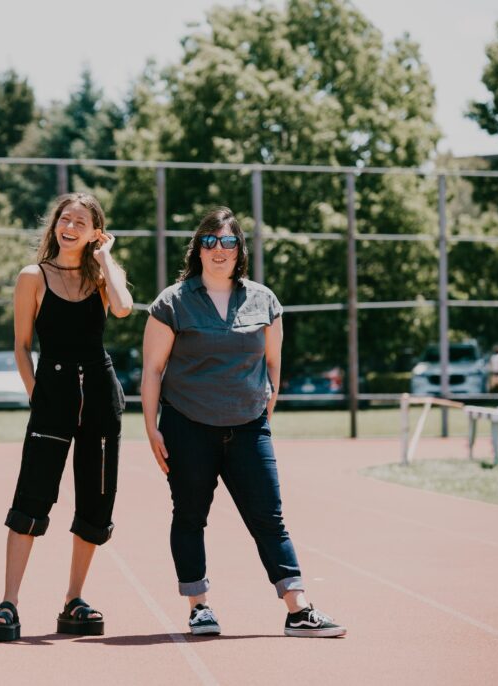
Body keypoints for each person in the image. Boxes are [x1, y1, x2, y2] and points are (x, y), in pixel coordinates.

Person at [141, 206, 346, 638]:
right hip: (187, 426)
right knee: (190, 516)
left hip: (249, 428)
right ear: (198, 248)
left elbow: (273, 365)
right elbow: (153, 371)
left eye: (228, 242)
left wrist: (263, 409)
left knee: (269, 518)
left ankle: (298, 609)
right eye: (210, 241)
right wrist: (151, 426)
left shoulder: (264, 299)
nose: (219, 250)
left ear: (240, 251)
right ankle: (199, 607)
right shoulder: (172, 302)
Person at [0, 193, 132, 641]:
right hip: (53, 395)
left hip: (101, 398)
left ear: (94, 232)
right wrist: (37, 395)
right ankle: (8, 603)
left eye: (81, 222)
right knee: (32, 495)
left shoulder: (104, 276)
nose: (69, 226)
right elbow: (21, 345)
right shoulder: (33, 276)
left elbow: (124, 308)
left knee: (95, 500)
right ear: (55, 226)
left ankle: (73, 600)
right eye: (64, 219)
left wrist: (105, 258)